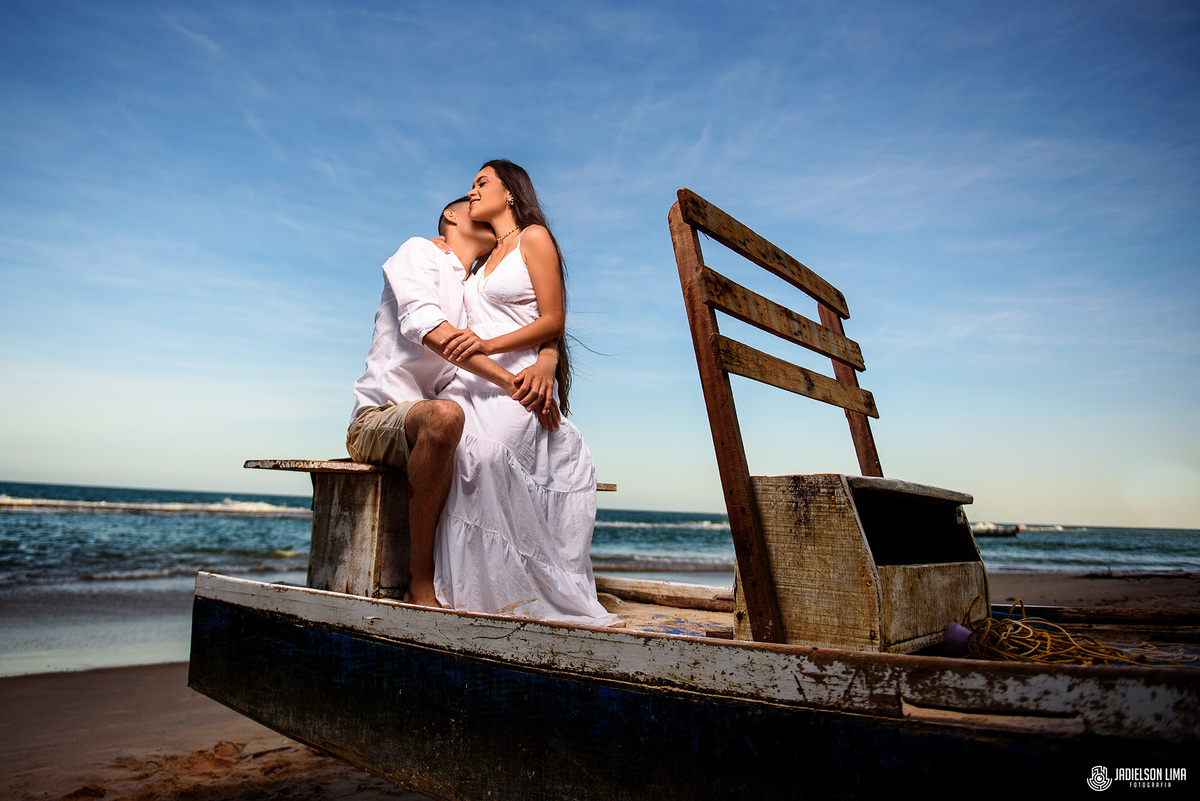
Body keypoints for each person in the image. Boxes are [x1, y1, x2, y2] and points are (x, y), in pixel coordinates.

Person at [346, 195, 561, 608]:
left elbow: (534, 318)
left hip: (434, 422)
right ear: (451, 215)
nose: (481, 209)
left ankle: (509, 584)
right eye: (471, 201)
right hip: (379, 417)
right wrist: (510, 382)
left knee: (498, 436)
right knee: (446, 417)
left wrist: (548, 358)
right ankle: (420, 581)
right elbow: (427, 325)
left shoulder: (475, 289)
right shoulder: (419, 252)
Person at [432, 160, 621, 626]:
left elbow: (553, 318)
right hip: (472, 382)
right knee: (461, 457)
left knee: (492, 455)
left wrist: (544, 356)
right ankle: (478, 595)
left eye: (482, 183)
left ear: (511, 193)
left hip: (520, 376)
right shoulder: (478, 261)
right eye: (471, 186)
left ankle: (520, 596)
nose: (472, 192)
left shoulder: (533, 238)